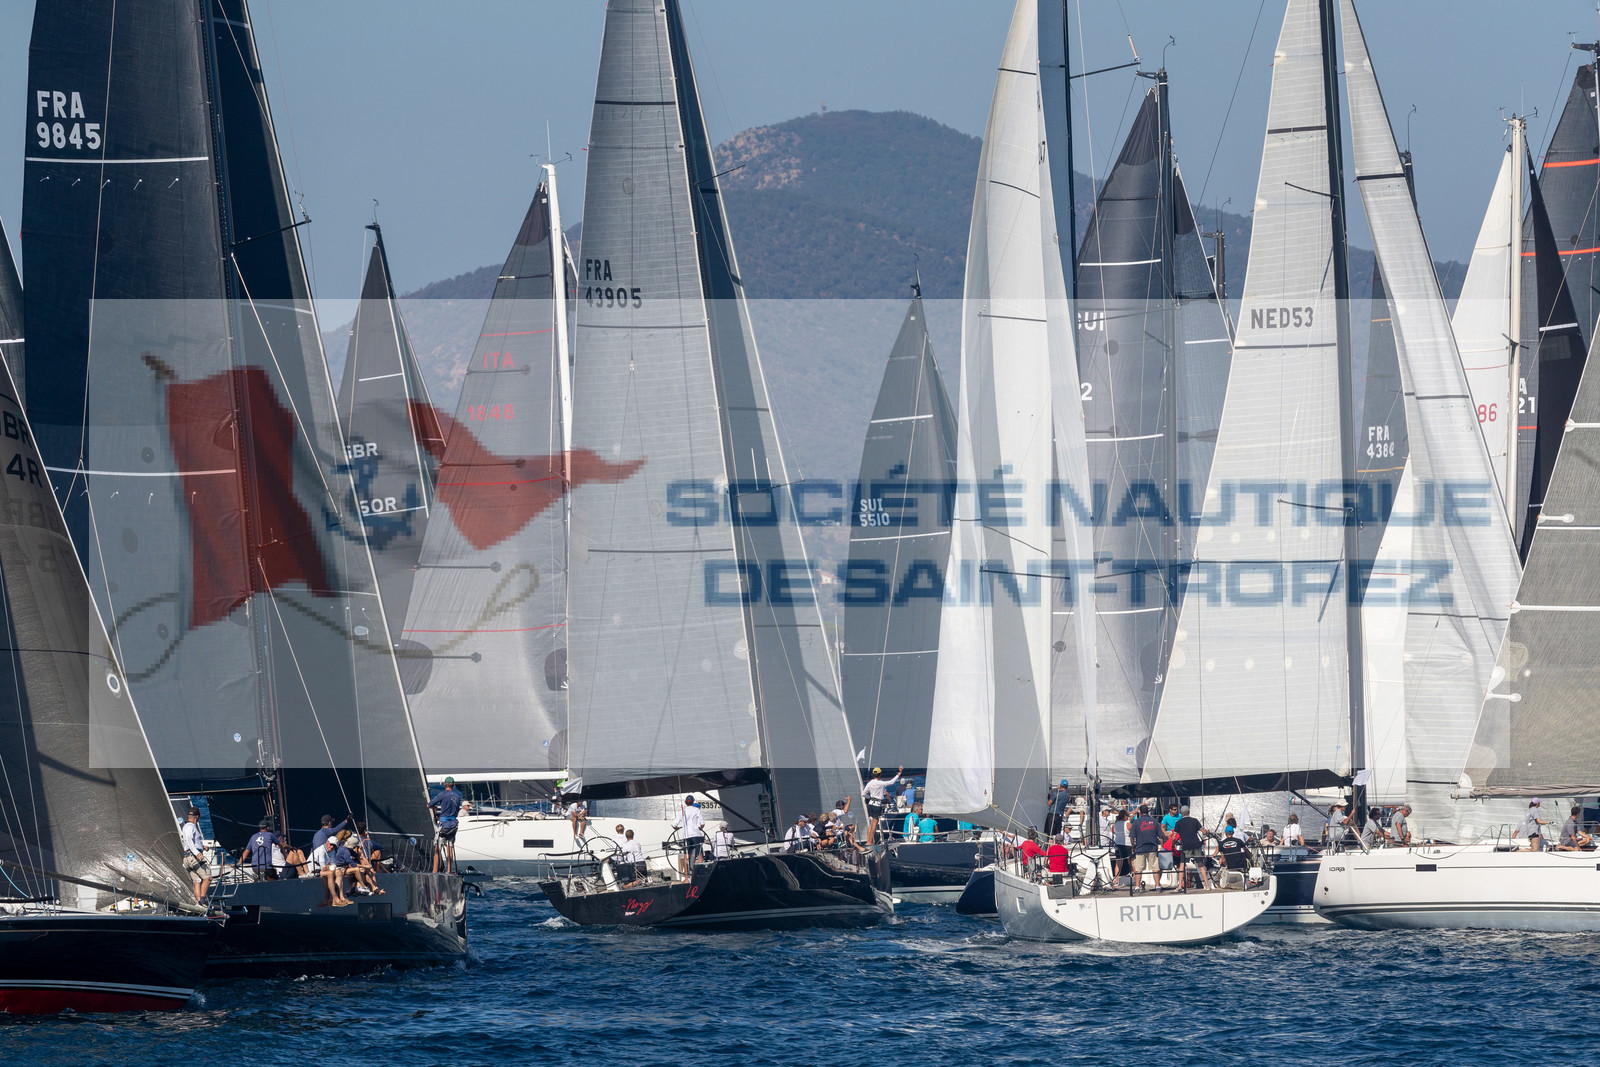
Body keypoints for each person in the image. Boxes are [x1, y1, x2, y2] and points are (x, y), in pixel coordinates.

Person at [430, 778, 465, 873]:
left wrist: (435, 808)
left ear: (445, 784)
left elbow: (429, 805)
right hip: (453, 824)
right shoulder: (457, 796)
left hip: (443, 825)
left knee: (437, 848)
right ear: (453, 784)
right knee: (450, 847)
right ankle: (449, 870)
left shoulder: (442, 794)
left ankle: (434, 872)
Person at [862, 766, 904, 845]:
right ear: (880, 774)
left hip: (871, 804)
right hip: (877, 805)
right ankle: (869, 843)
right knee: (874, 824)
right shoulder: (880, 783)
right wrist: (899, 774)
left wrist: (870, 797)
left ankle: (868, 841)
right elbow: (891, 782)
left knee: (871, 823)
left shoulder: (870, 783)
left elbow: (863, 794)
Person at [1173, 806, 1211, 890]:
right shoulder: (1195, 821)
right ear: (1189, 812)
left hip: (1186, 846)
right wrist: (1207, 831)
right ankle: (1207, 886)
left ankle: (1179, 886)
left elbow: (1174, 837)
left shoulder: (1178, 823)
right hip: (1196, 845)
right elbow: (1204, 832)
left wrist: (1173, 845)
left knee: (1182, 865)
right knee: (1200, 865)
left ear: (1181, 813)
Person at [180, 807, 210, 904]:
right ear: (197, 817)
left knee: (197, 880)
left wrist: (202, 846)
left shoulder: (187, 826)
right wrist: (197, 853)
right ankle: (202, 901)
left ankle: (198, 903)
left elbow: (192, 841)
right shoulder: (190, 826)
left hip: (187, 858)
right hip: (192, 857)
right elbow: (189, 840)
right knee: (207, 878)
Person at [1131, 805, 1164, 891]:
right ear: (1148, 811)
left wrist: (1133, 846)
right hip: (1152, 848)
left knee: (1138, 869)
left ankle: (1137, 887)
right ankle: (1157, 886)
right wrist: (1162, 846)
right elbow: (1161, 836)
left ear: (1140, 812)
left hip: (1140, 848)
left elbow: (1132, 837)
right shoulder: (1154, 821)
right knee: (1155, 868)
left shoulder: (1136, 822)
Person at [673, 795, 707, 876]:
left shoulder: (682, 810)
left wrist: (678, 828)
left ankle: (686, 875)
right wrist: (700, 828)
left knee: (686, 854)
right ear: (693, 802)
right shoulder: (696, 810)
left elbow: (674, 825)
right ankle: (700, 873)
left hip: (686, 835)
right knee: (699, 854)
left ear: (686, 802)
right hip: (696, 834)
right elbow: (702, 823)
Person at [1113, 809, 1133, 879]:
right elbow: (1133, 833)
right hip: (1127, 844)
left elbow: (1113, 831)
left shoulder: (1116, 824)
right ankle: (1135, 878)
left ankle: (1116, 879)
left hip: (1118, 844)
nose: (1128, 817)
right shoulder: (1128, 824)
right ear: (1125, 816)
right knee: (1131, 862)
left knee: (1118, 863)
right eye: (1127, 815)